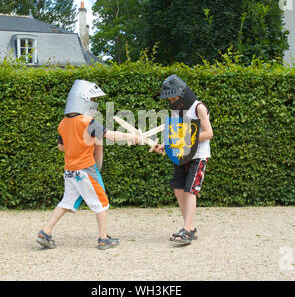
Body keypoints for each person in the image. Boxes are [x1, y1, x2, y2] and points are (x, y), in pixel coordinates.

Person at [36, 79, 141, 250]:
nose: (93, 104)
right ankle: (103, 238)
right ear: (83, 100)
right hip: (85, 170)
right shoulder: (87, 122)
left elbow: (61, 147)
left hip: (70, 171)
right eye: (92, 100)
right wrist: (133, 137)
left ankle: (45, 231)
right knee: (101, 203)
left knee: (66, 202)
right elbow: (112, 136)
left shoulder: (63, 123)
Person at [154, 74, 213, 245]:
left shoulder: (198, 107)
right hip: (181, 154)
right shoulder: (175, 110)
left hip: (198, 155)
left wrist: (187, 138)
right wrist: (165, 145)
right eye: (169, 98)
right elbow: (174, 133)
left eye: (173, 97)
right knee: (178, 190)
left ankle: (186, 230)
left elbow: (209, 133)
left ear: (182, 93)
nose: (171, 101)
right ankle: (190, 228)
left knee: (190, 191)